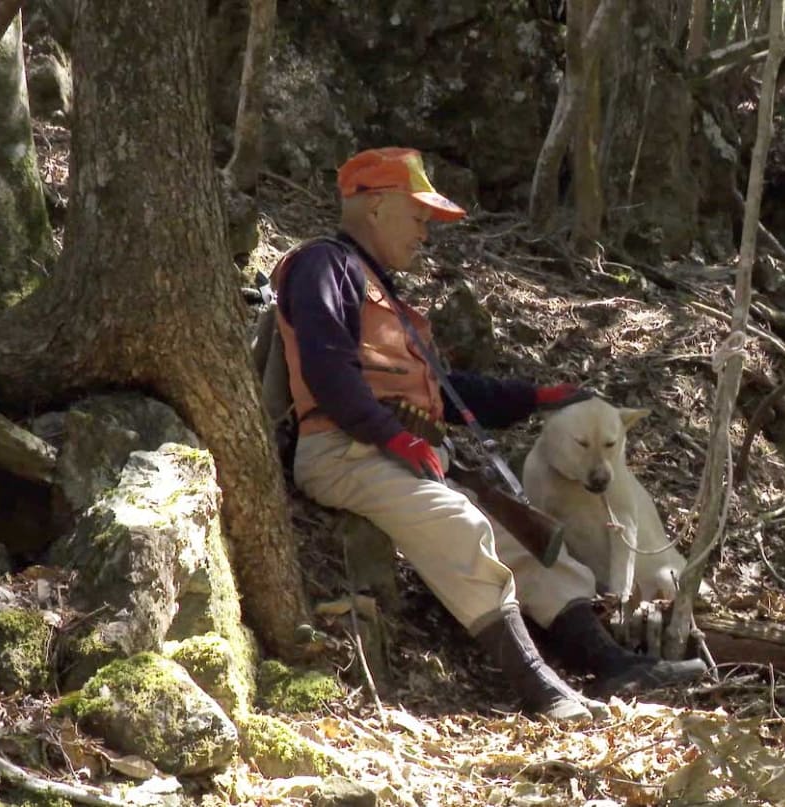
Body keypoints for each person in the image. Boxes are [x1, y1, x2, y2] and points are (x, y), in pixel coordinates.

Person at [274, 146, 706, 723]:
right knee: (462, 525)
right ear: (376, 208)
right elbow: (328, 372)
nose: (426, 234)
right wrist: (395, 438)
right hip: (343, 450)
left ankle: (611, 665)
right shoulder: (322, 266)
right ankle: (542, 691)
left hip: (395, 450)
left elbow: (449, 393)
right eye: (419, 217)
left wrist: (534, 397)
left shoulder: (381, 288)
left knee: (530, 545)